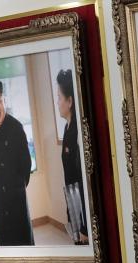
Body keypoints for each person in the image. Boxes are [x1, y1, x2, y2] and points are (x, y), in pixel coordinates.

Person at [0, 80, 34, 246]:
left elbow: (26, 166)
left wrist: (16, 187)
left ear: (4, 101)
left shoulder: (16, 128)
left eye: (0, 101)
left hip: (15, 200)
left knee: (23, 245)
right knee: (5, 246)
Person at [55, 69, 88, 245]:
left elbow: (84, 180)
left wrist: (85, 227)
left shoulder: (78, 130)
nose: (57, 102)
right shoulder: (67, 128)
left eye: (59, 97)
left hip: (84, 213)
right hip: (74, 203)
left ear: (70, 101)